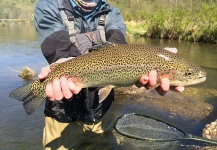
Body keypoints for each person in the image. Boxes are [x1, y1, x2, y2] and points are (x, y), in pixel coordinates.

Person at [34, 0, 184, 149]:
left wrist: (150, 61)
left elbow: (118, 46)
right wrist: (65, 63)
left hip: (102, 114)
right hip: (63, 113)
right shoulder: (50, 6)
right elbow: (58, 45)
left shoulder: (112, 12)